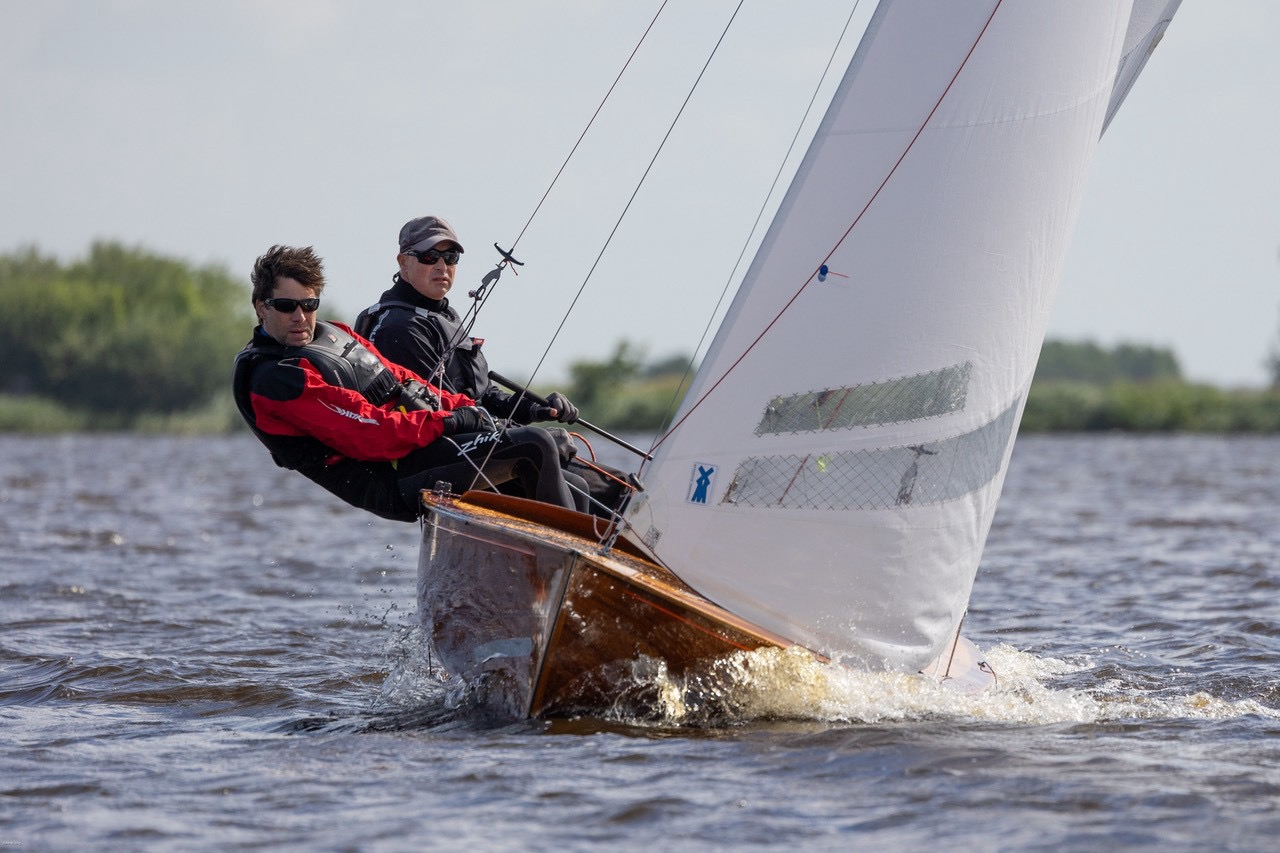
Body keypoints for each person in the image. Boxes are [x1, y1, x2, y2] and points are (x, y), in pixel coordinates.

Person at [232, 244, 587, 522]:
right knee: (535, 445)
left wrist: (466, 409)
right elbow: (370, 432)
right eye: (285, 306)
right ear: (261, 307)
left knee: (577, 484)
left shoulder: (333, 333)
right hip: (391, 479)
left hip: (416, 452)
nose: (300, 316)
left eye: (309, 304)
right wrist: (449, 422)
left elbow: (404, 380)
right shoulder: (276, 379)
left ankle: (590, 582)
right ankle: (574, 575)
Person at [354, 215, 636, 517]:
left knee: (610, 489)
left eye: (451, 256)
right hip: (427, 460)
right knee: (560, 464)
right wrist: (523, 437)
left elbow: (484, 395)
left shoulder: (444, 317)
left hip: (472, 444)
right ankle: (567, 558)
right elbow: (443, 414)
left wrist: (534, 408)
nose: (441, 265)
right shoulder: (399, 327)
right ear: (402, 262)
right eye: (428, 256)